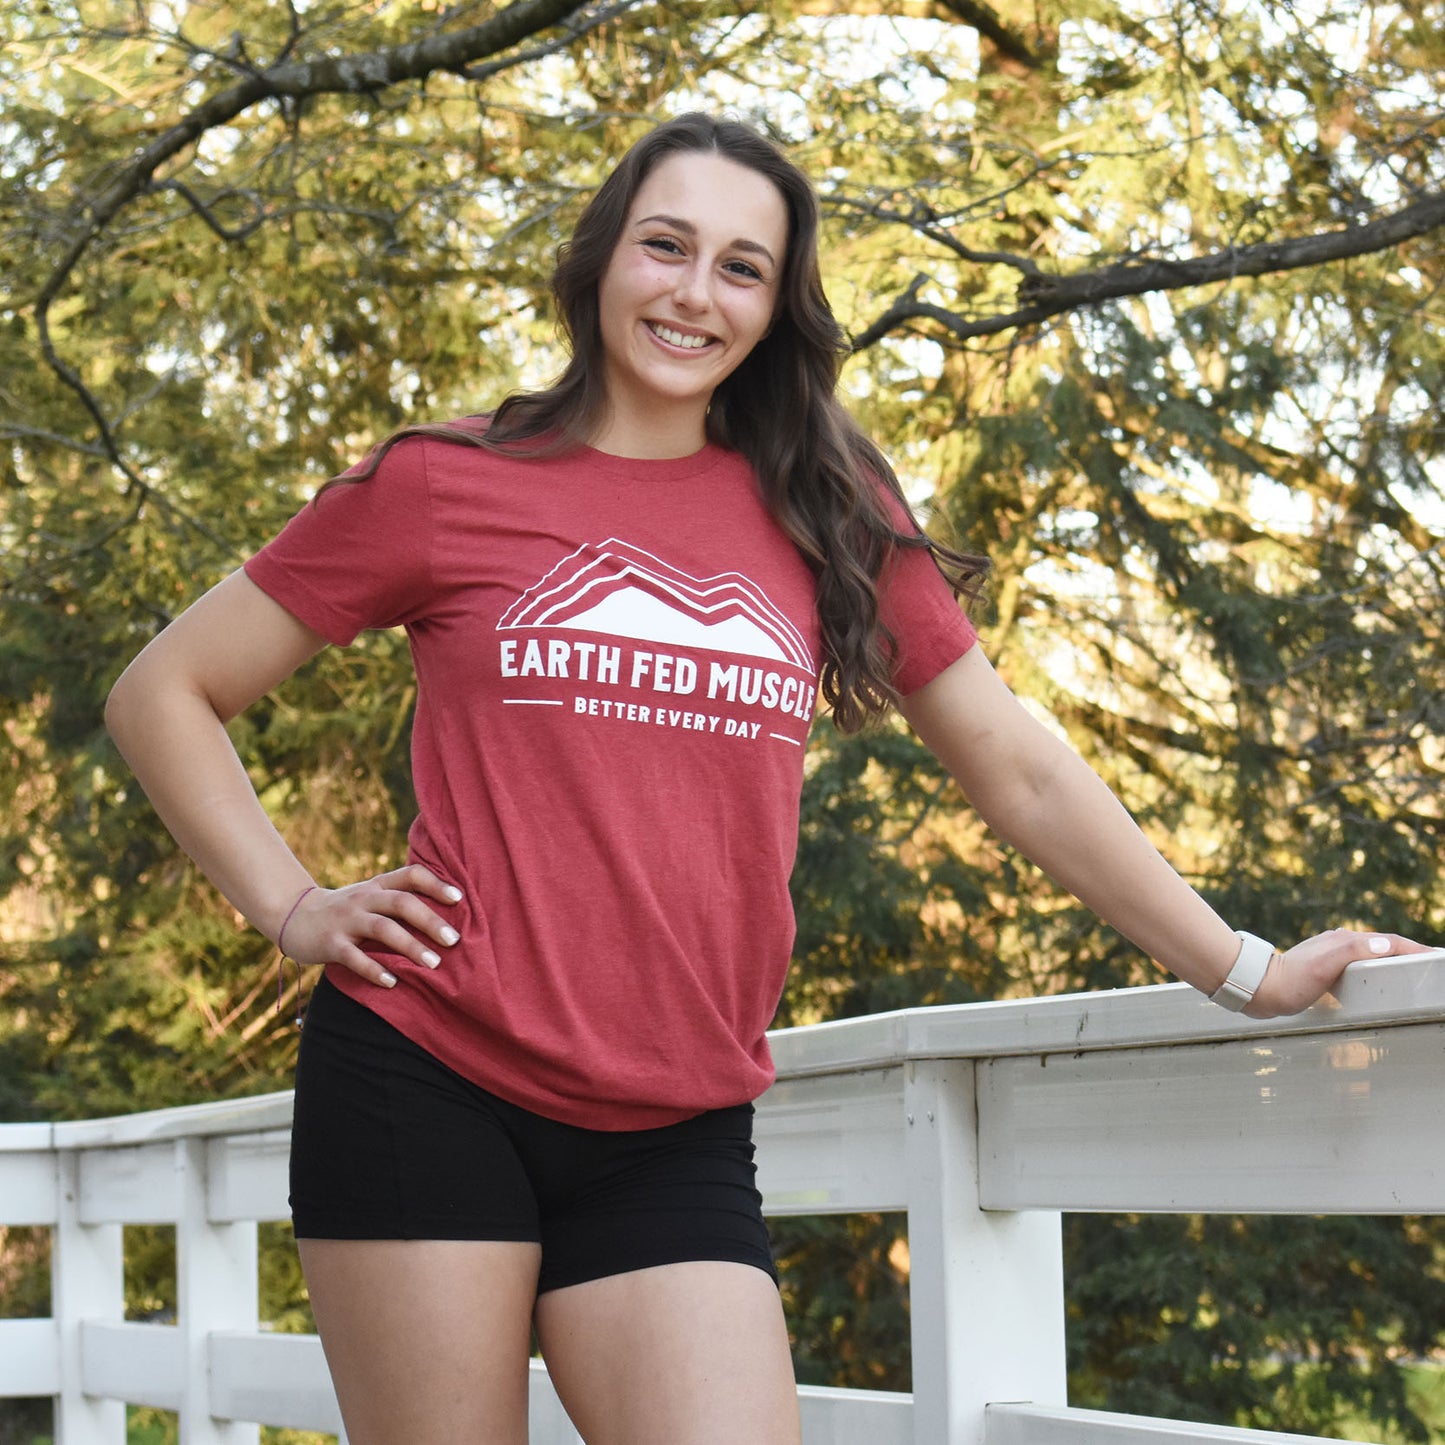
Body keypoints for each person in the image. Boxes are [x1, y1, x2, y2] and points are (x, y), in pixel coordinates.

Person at [105, 112, 1427, 1445]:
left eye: (741, 267)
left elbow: (1014, 766)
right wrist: (290, 903)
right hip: (425, 1077)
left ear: (776, 305)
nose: (694, 292)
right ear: (598, 263)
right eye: (664, 246)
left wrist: (1245, 967)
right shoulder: (451, 482)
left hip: (671, 1116)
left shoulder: (823, 502)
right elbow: (164, 689)